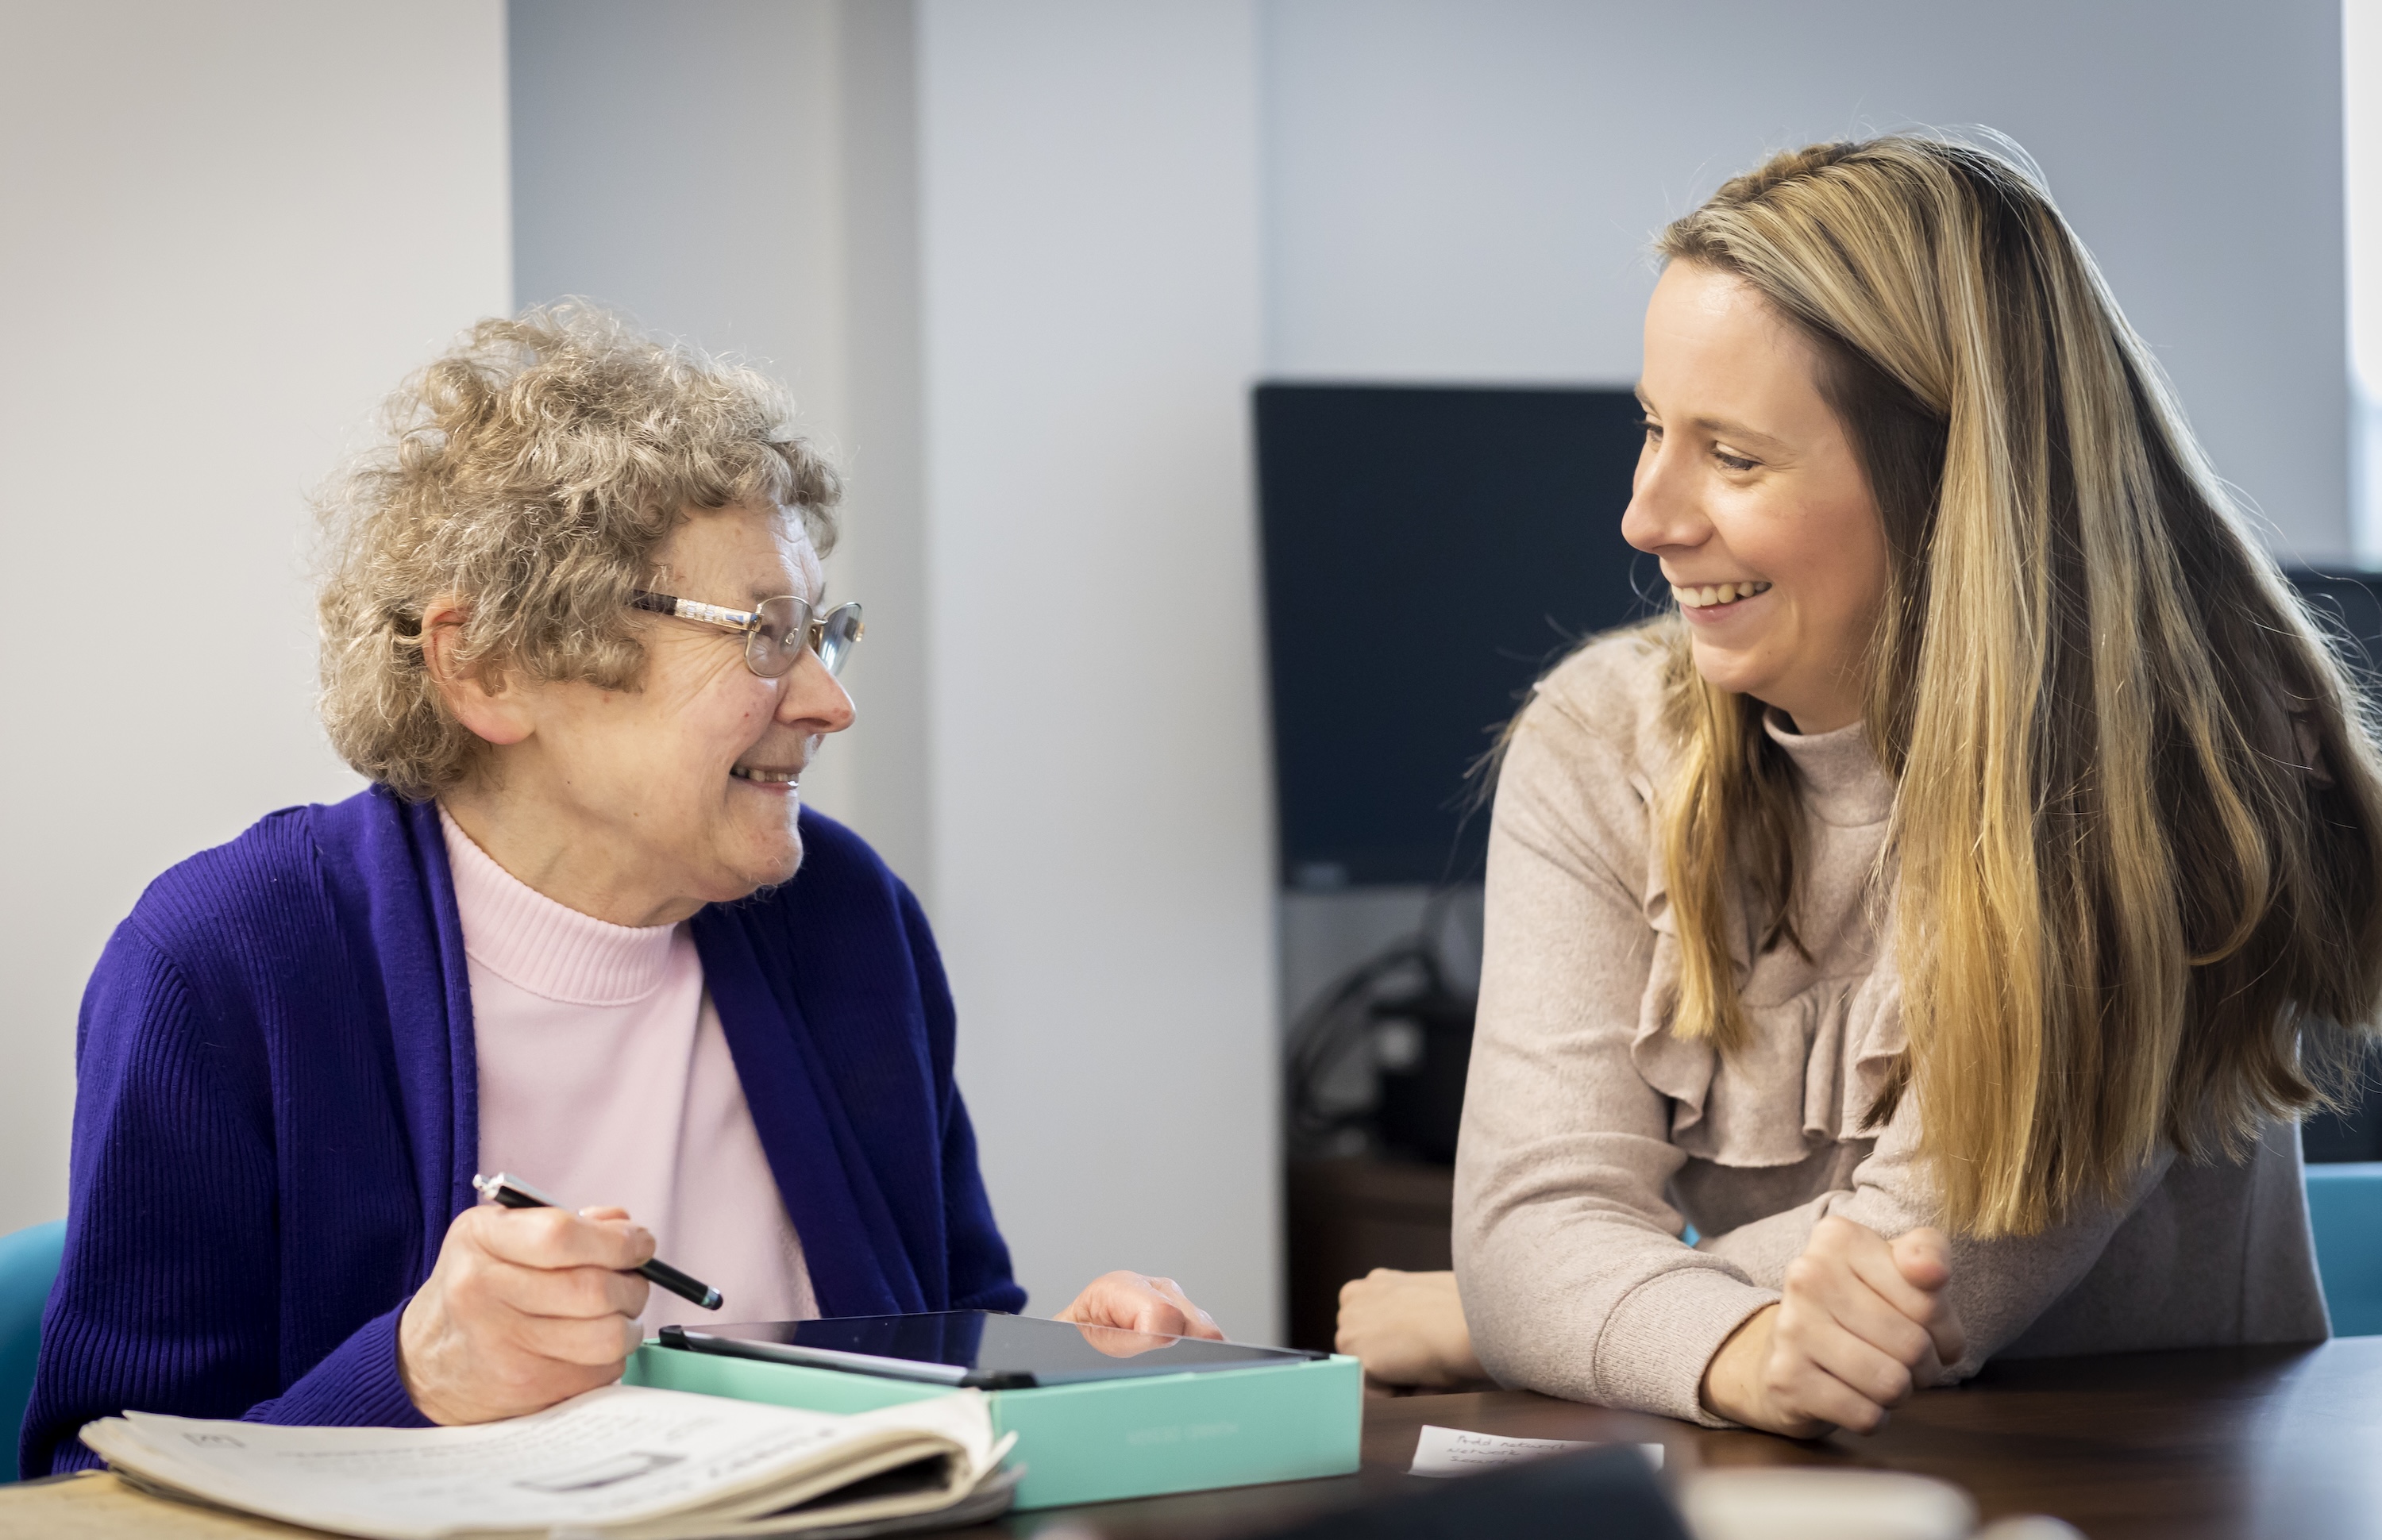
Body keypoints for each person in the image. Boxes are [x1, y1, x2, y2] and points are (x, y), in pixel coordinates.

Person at [21, 307, 1217, 1475]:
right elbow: (93, 1484)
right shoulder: (233, 962)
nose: (826, 702)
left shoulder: (847, 918)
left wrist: (1069, 1367)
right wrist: (412, 1375)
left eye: (822, 634)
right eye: (759, 635)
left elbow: (957, 1332)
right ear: (488, 665)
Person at [1339, 134, 2382, 1434]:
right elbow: (1533, 1230)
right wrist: (1640, 1326)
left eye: (1732, 455)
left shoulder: (2161, 766)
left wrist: (1515, 1316)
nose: (1645, 516)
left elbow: (1927, 1279)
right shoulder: (1600, 736)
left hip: (2134, 1489)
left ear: (1949, 491)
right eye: (1652, 428)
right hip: (1807, 1489)